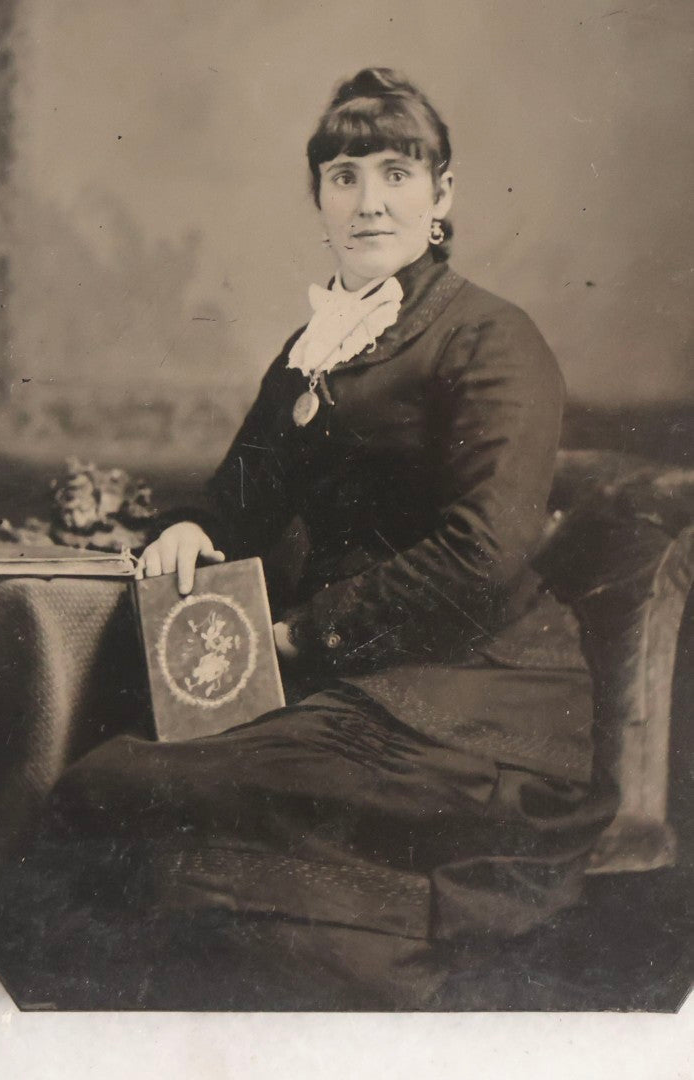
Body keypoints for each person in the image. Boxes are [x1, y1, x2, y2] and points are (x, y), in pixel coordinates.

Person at [34, 68, 616, 1007]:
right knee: (104, 779)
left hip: (474, 709)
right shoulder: (317, 344)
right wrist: (191, 527)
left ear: (443, 196)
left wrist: (304, 637)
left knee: (138, 794)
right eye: (344, 176)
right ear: (319, 199)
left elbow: (482, 552)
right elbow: (236, 502)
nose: (370, 201)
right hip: (349, 688)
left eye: (395, 172)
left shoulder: (490, 339)